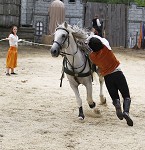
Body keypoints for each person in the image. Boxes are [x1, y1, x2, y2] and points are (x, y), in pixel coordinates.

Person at [87, 35, 133, 126]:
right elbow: (102, 39)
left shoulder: (92, 56)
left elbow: (91, 47)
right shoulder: (106, 48)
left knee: (115, 97)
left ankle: (117, 106)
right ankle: (126, 112)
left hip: (107, 78)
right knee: (126, 96)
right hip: (118, 74)